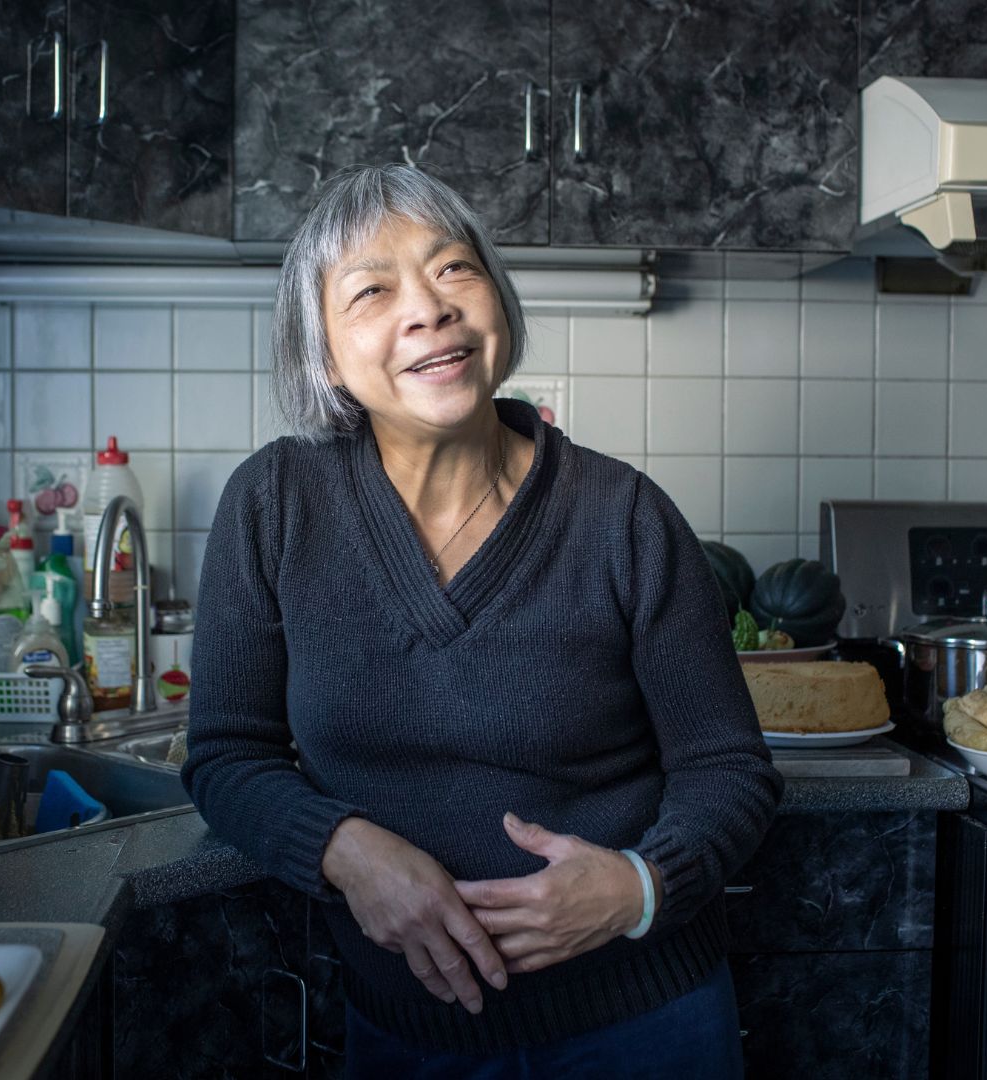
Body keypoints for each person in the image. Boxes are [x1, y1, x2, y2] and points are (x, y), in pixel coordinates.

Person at [182, 164, 785, 1079]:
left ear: (497, 301)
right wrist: (346, 851)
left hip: (646, 1019)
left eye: (455, 269)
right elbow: (226, 753)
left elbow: (730, 768)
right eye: (373, 291)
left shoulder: (624, 515)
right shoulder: (273, 504)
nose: (429, 308)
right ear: (323, 354)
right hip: (407, 1035)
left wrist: (639, 887)